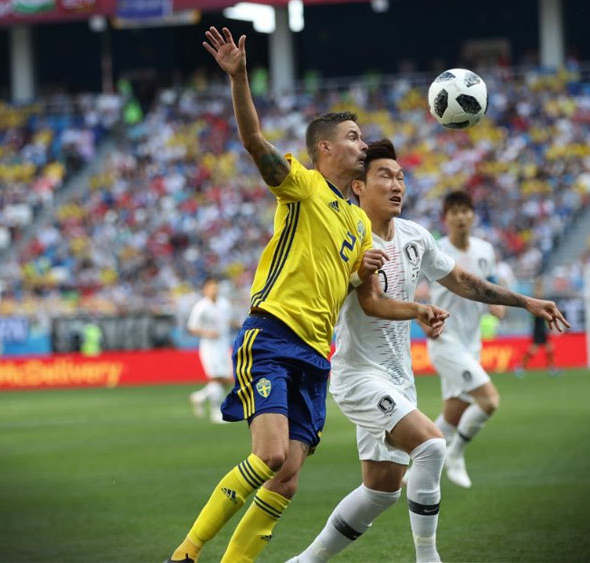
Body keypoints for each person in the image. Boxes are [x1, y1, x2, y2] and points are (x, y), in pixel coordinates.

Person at [166, 28, 445, 563]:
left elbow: (369, 302)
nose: (363, 145)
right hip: (273, 335)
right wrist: (239, 78)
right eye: (354, 138)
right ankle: (185, 553)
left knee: (288, 478)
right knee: (271, 456)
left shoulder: (359, 227)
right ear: (325, 148)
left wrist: (416, 308)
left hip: (316, 355)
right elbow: (254, 143)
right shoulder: (301, 185)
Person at [289, 141, 569, 562]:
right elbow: (371, 302)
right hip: (359, 375)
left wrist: (526, 302)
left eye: (401, 177)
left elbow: (464, 281)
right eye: (385, 176)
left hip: (399, 377)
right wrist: (419, 309)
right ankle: (428, 557)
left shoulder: (415, 237)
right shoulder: (348, 238)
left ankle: (304, 562)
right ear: (359, 187)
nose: (397, 185)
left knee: (381, 490)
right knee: (433, 446)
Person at [422, 192, 507, 488]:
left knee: (453, 413)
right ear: (445, 219)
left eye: (465, 211)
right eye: (454, 212)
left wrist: (496, 305)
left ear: (473, 215)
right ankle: (455, 454)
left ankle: (417, 467)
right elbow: (411, 289)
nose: (460, 217)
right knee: (489, 401)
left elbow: (489, 285)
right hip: (445, 340)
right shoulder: (435, 250)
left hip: (472, 342)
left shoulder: (485, 250)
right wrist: (420, 318)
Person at [187, 277, 236, 424]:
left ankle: (199, 397)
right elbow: (192, 328)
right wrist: (207, 333)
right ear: (205, 290)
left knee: (226, 379)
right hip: (210, 346)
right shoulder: (201, 307)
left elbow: (227, 320)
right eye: (211, 288)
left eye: (216, 287)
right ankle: (216, 412)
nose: (214, 290)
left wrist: (239, 324)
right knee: (216, 378)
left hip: (223, 344)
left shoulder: (224, 303)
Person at [515, 278, 558, 376]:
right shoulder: (536, 302)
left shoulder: (539, 301)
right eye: (540, 288)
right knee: (534, 350)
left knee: (549, 348)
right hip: (538, 328)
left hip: (541, 328)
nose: (541, 290)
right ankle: (520, 366)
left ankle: (551, 368)